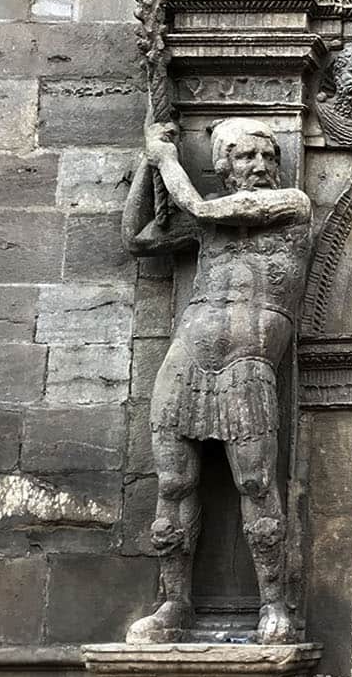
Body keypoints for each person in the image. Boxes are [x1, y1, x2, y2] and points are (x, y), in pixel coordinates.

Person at [121, 118, 312, 644]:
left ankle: (273, 605)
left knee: (254, 483)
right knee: (173, 485)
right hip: (188, 356)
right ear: (225, 166)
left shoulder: (291, 205)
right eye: (246, 158)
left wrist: (166, 161)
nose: (260, 167)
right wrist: (146, 162)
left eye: (267, 157)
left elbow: (203, 208)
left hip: (248, 363)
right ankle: (174, 603)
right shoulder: (207, 227)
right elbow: (137, 239)